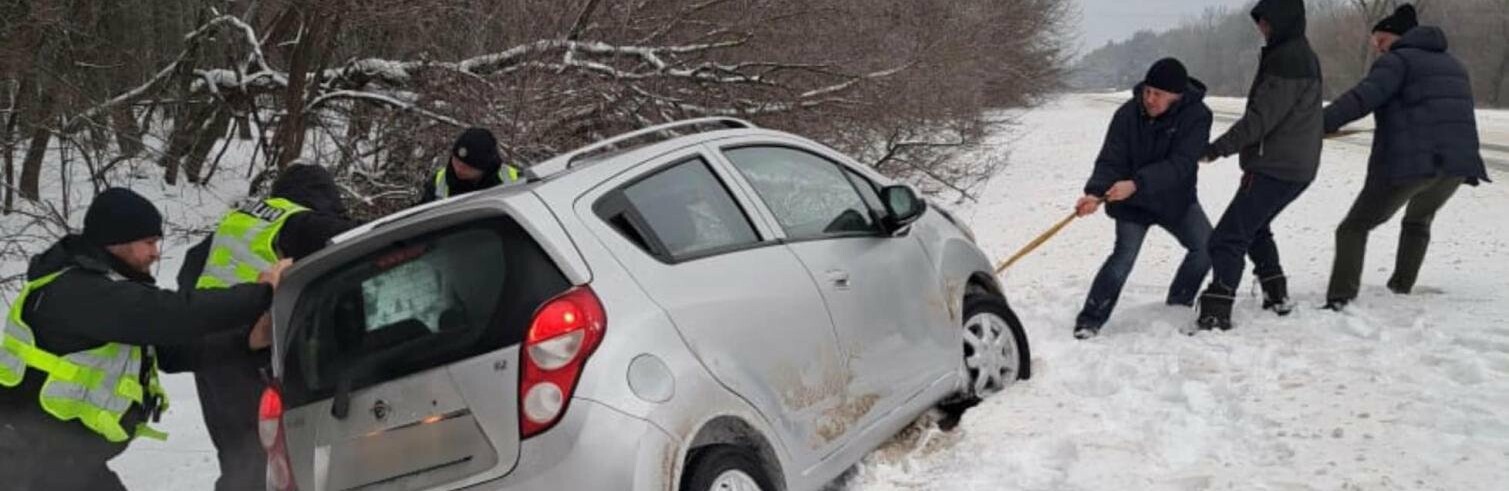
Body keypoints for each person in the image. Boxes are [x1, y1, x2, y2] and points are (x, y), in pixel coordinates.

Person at [0, 188, 289, 490]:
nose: (156, 253)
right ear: (116, 241)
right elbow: (172, 315)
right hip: (24, 464)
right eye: (149, 242)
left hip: (68, 462)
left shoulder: (107, 295)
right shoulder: (74, 291)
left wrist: (246, 341)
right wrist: (260, 293)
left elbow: (173, 352)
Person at [170, 163, 360, 491]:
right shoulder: (298, 220)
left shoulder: (236, 223)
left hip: (210, 360)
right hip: (251, 360)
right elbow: (356, 237)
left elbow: (188, 271)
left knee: (239, 460)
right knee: (274, 460)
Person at [1320, 4, 1491, 310]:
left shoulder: (1397, 61)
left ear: (1397, 36)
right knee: (1418, 220)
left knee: (1353, 228)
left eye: (1380, 40)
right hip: (1456, 165)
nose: (1377, 47)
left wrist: (1319, 123)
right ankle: (1401, 287)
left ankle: (1340, 299)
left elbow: (1362, 97)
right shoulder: (1454, 64)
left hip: (1415, 163)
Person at [1196, 0, 1324, 332]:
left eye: (1266, 22)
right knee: (1254, 229)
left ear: (1282, 21)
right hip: (1295, 168)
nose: (1262, 29)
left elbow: (1259, 120)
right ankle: (1275, 292)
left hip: (1275, 168)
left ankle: (1216, 309)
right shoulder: (1298, 54)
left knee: (1226, 238)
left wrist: (1216, 149)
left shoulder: (1288, 60)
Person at [1073, 58, 1215, 340]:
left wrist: (1136, 183)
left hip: (1175, 201)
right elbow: (1110, 159)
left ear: (1177, 95)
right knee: (1122, 258)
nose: (1149, 99)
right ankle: (1090, 320)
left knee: (1207, 247)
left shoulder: (1197, 115)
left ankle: (1178, 304)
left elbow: (1181, 164)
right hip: (1131, 205)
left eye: (1158, 94)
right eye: (1147, 91)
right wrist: (1094, 192)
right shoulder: (1128, 113)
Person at [418, 127, 523, 204]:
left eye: (466, 167)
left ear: (484, 167)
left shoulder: (514, 181)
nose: (458, 169)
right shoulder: (438, 183)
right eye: (455, 161)